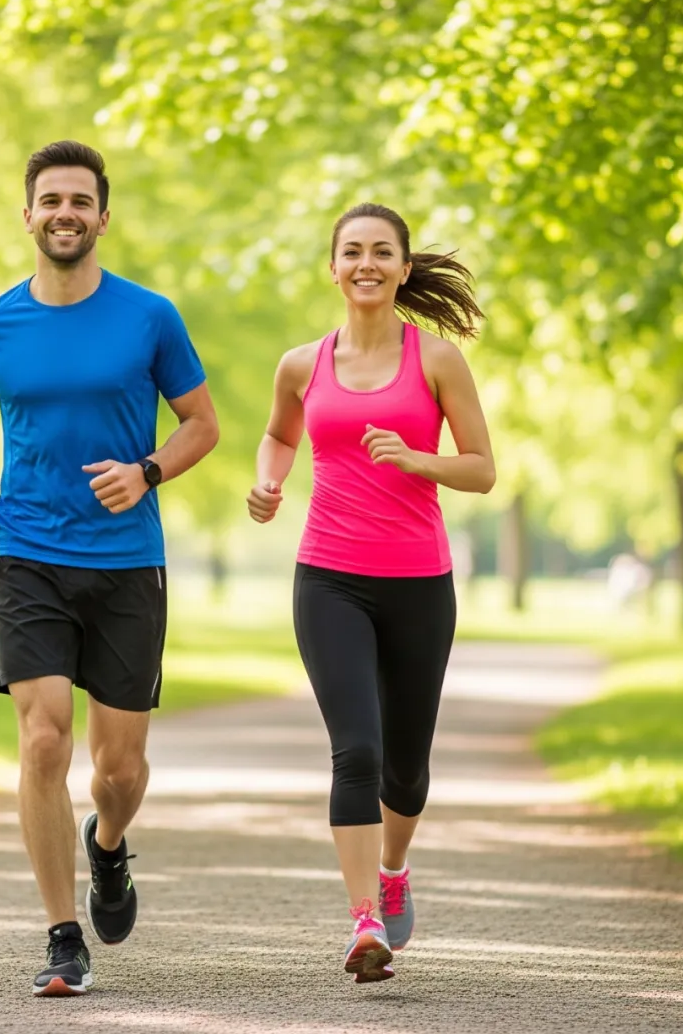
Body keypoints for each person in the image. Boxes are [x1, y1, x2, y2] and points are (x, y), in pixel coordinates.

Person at [0, 140, 219, 997]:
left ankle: (108, 846)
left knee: (120, 769)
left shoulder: (150, 317)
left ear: (103, 215)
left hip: (129, 565)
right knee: (43, 736)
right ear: (27, 215)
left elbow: (202, 423)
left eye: (79, 201)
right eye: (49, 200)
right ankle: (63, 936)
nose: (64, 213)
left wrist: (150, 471)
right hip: (28, 557)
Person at [245, 203, 494, 983]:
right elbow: (280, 434)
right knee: (356, 750)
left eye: (382, 252)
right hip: (329, 578)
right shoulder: (301, 363)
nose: (367, 264)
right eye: (352, 251)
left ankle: (392, 868)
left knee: (406, 770)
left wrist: (420, 460)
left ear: (404, 267)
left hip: (420, 581)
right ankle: (362, 920)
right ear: (333, 266)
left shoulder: (438, 360)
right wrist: (268, 480)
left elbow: (482, 467)